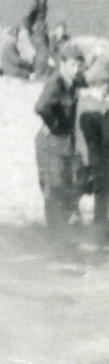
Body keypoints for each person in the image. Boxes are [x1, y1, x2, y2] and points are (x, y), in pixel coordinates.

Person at [34, 42, 84, 230]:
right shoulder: (56, 83)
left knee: (64, 186)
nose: (76, 69)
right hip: (51, 144)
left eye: (79, 65)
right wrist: (54, 125)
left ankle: (60, 231)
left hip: (65, 144)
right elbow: (40, 107)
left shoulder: (73, 83)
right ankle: (55, 236)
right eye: (72, 65)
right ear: (62, 63)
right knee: (54, 190)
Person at [77, 58, 109, 238]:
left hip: (100, 155)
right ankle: (99, 230)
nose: (107, 87)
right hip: (93, 156)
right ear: (98, 84)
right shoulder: (87, 103)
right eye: (105, 84)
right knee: (98, 192)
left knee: (101, 193)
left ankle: (100, 226)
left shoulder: (102, 102)